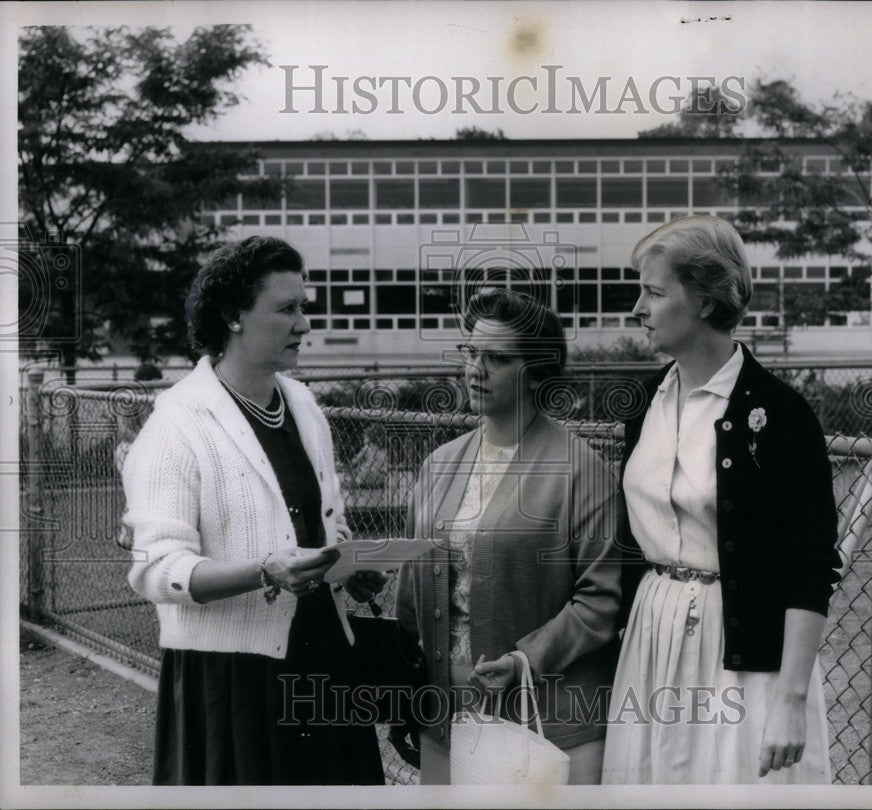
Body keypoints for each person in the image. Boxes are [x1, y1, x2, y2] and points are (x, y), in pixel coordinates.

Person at [123, 236, 385, 785]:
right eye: (287, 309)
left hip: (323, 662)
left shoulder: (305, 406)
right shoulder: (177, 423)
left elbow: (323, 520)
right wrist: (264, 571)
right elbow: (156, 569)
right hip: (232, 683)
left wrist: (344, 563)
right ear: (232, 316)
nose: (304, 324)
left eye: (304, 308)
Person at [601, 216, 841, 785]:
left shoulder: (780, 413)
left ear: (706, 301)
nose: (638, 307)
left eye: (654, 292)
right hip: (652, 637)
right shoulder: (645, 404)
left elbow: (811, 564)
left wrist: (790, 697)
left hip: (741, 648)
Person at [394, 289, 622, 785]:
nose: (476, 368)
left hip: (547, 723)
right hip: (444, 719)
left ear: (537, 370)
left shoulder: (581, 470)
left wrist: (525, 659)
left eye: (496, 358)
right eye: (470, 352)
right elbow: (412, 589)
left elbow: (601, 599)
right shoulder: (439, 465)